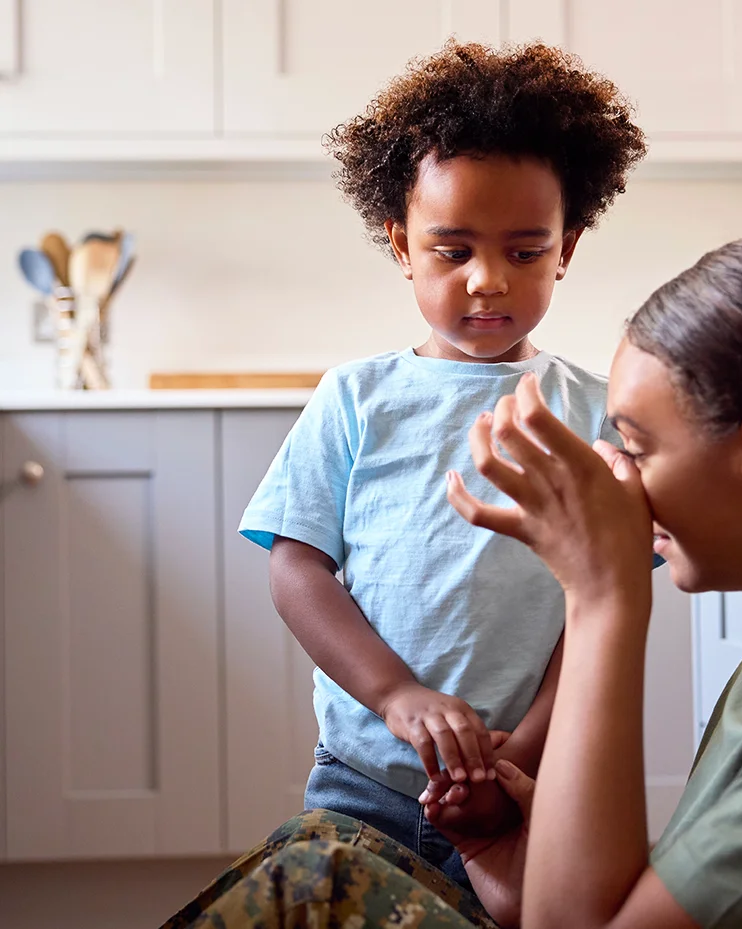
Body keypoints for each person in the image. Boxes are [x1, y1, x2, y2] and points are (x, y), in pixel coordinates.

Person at [168, 234, 742, 929]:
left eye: (634, 447)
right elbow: (625, 899)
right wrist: (508, 848)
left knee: (312, 883)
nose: (616, 477)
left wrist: (604, 596)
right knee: (315, 851)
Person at [236, 40, 646, 886]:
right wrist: (396, 696)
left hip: (534, 777)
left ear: (566, 246)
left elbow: (606, 599)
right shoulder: (355, 397)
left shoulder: (600, 410)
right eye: (452, 250)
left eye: (525, 251)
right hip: (362, 781)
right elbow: (296, 568)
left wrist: (525, 746)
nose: (487, 280)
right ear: (401, 244)